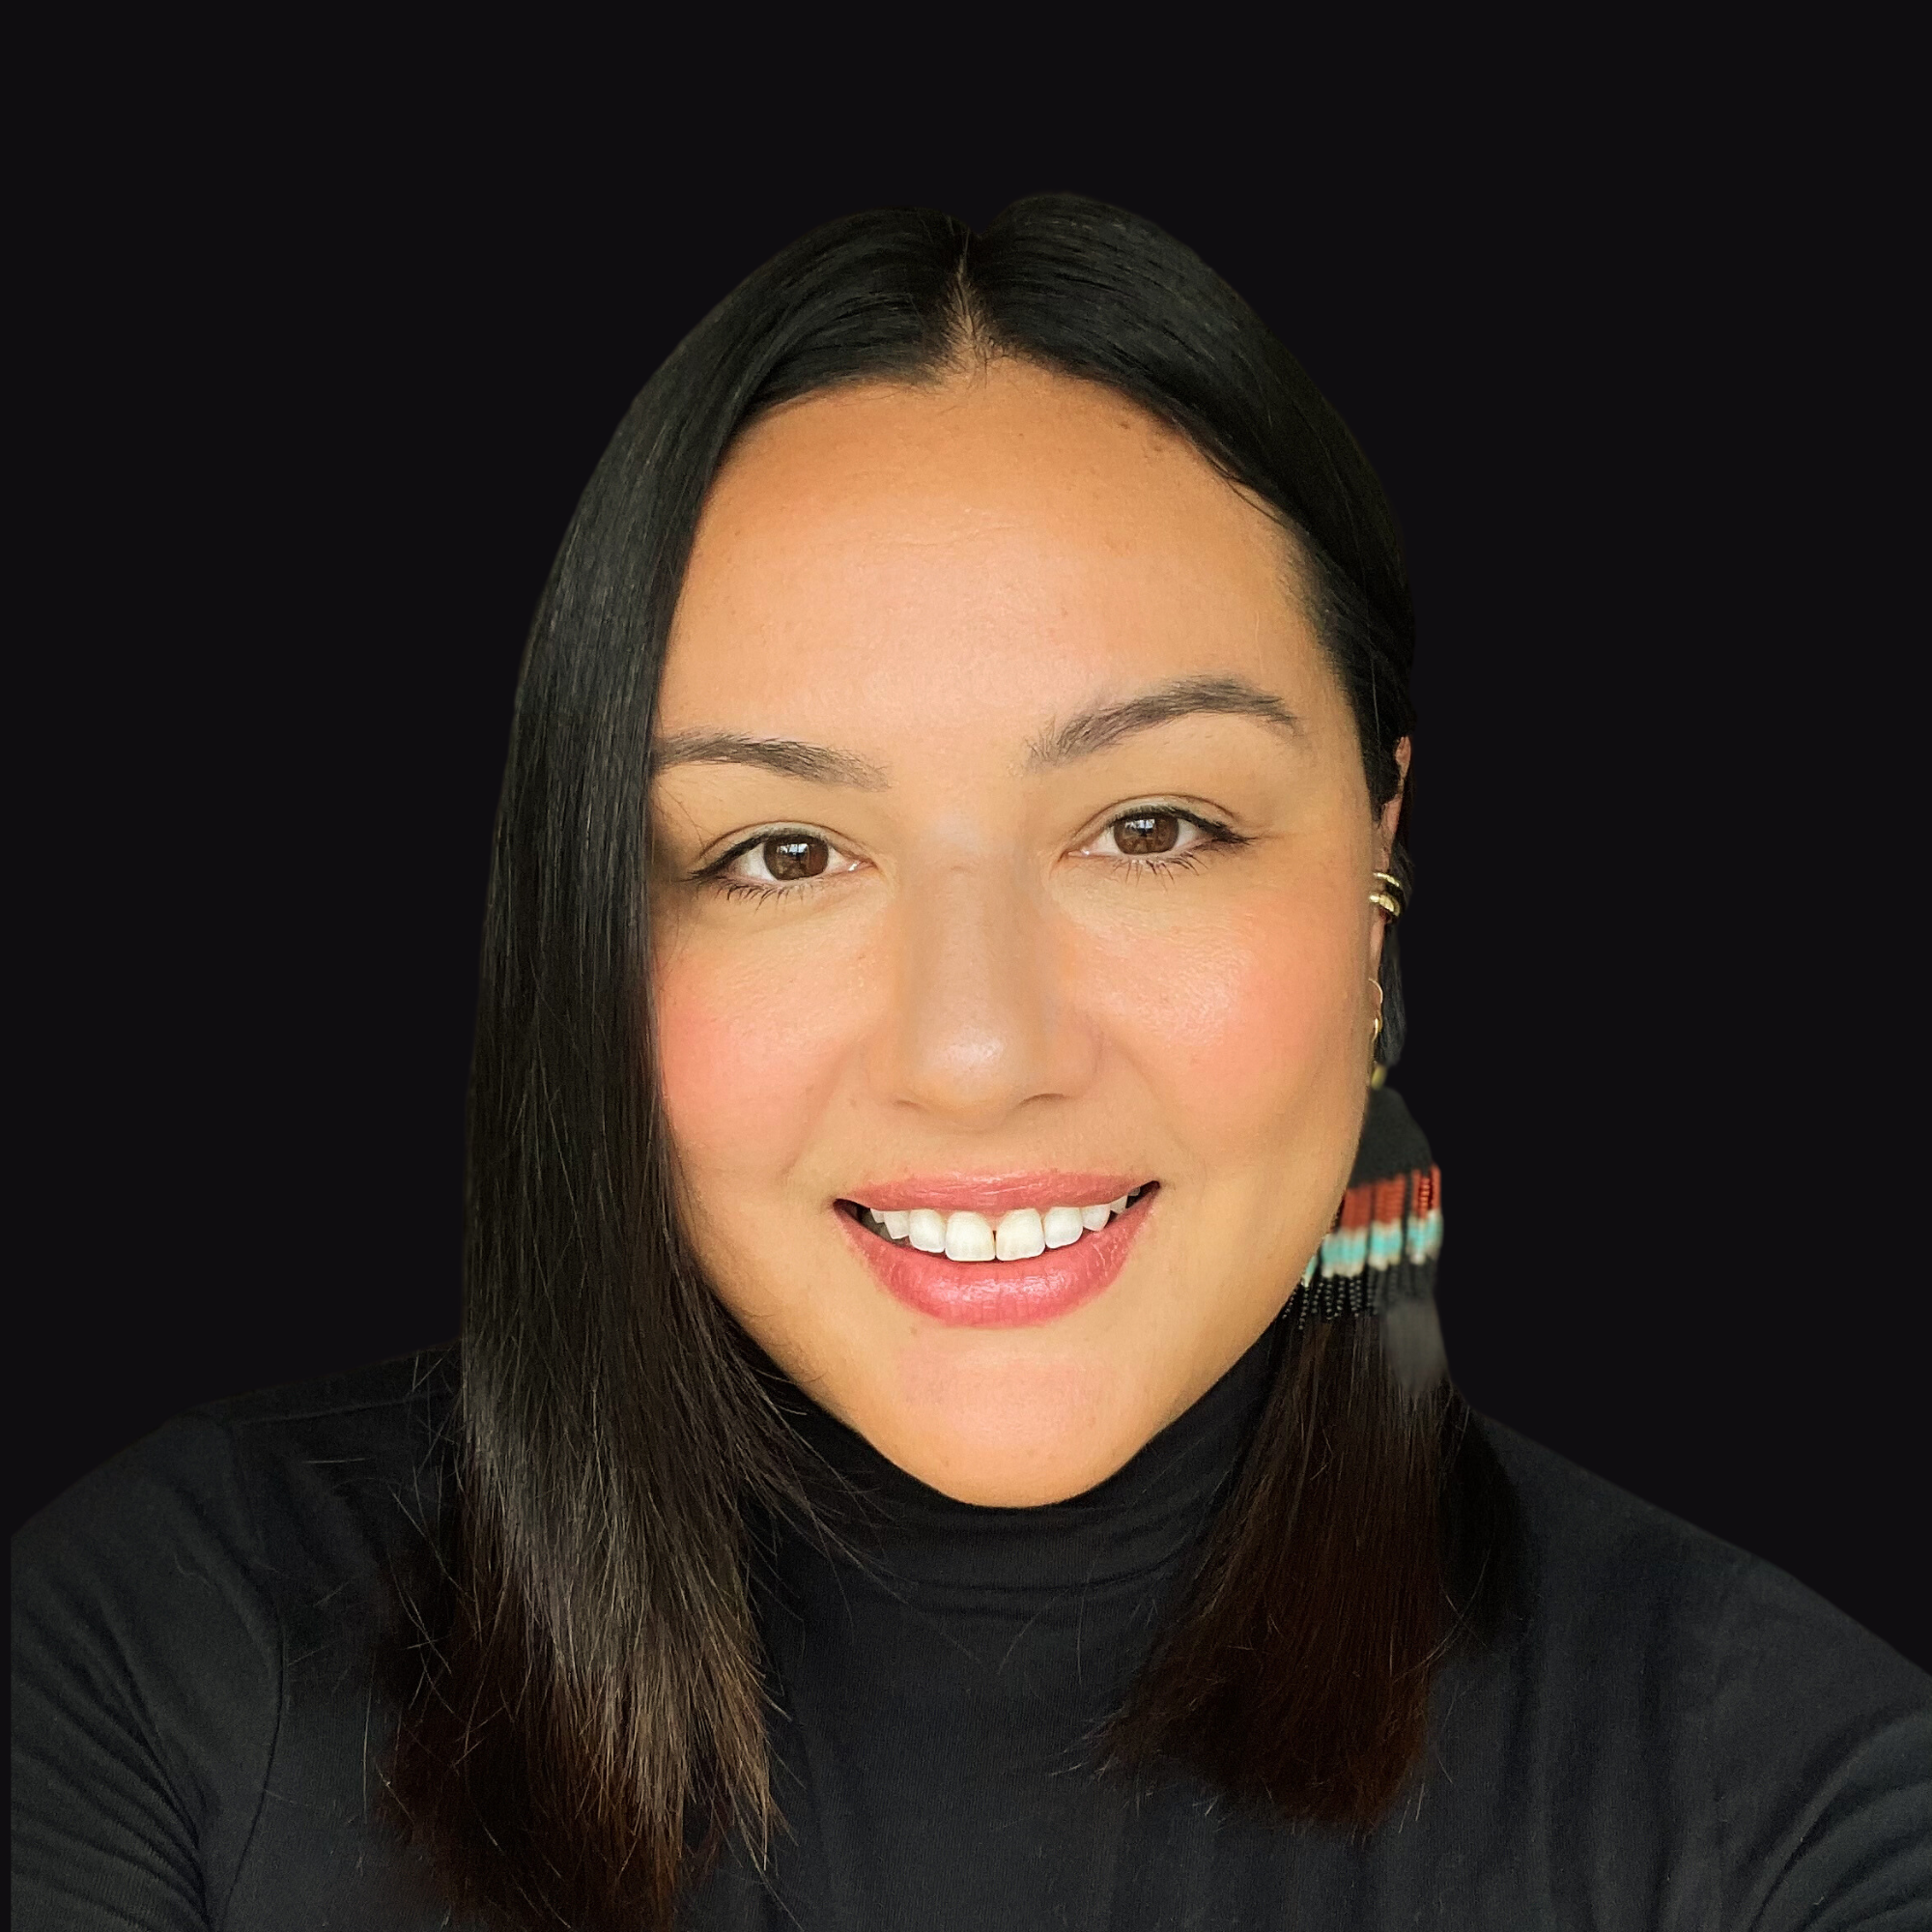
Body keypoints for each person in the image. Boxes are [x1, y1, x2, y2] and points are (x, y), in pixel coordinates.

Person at [13, 196, 1928, 1932]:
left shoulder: (1795, 1811)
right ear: (591, 932)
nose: (979, 1049)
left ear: (1377, 870)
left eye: (1153, 826)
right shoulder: (153, 1666)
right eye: (781, 853)